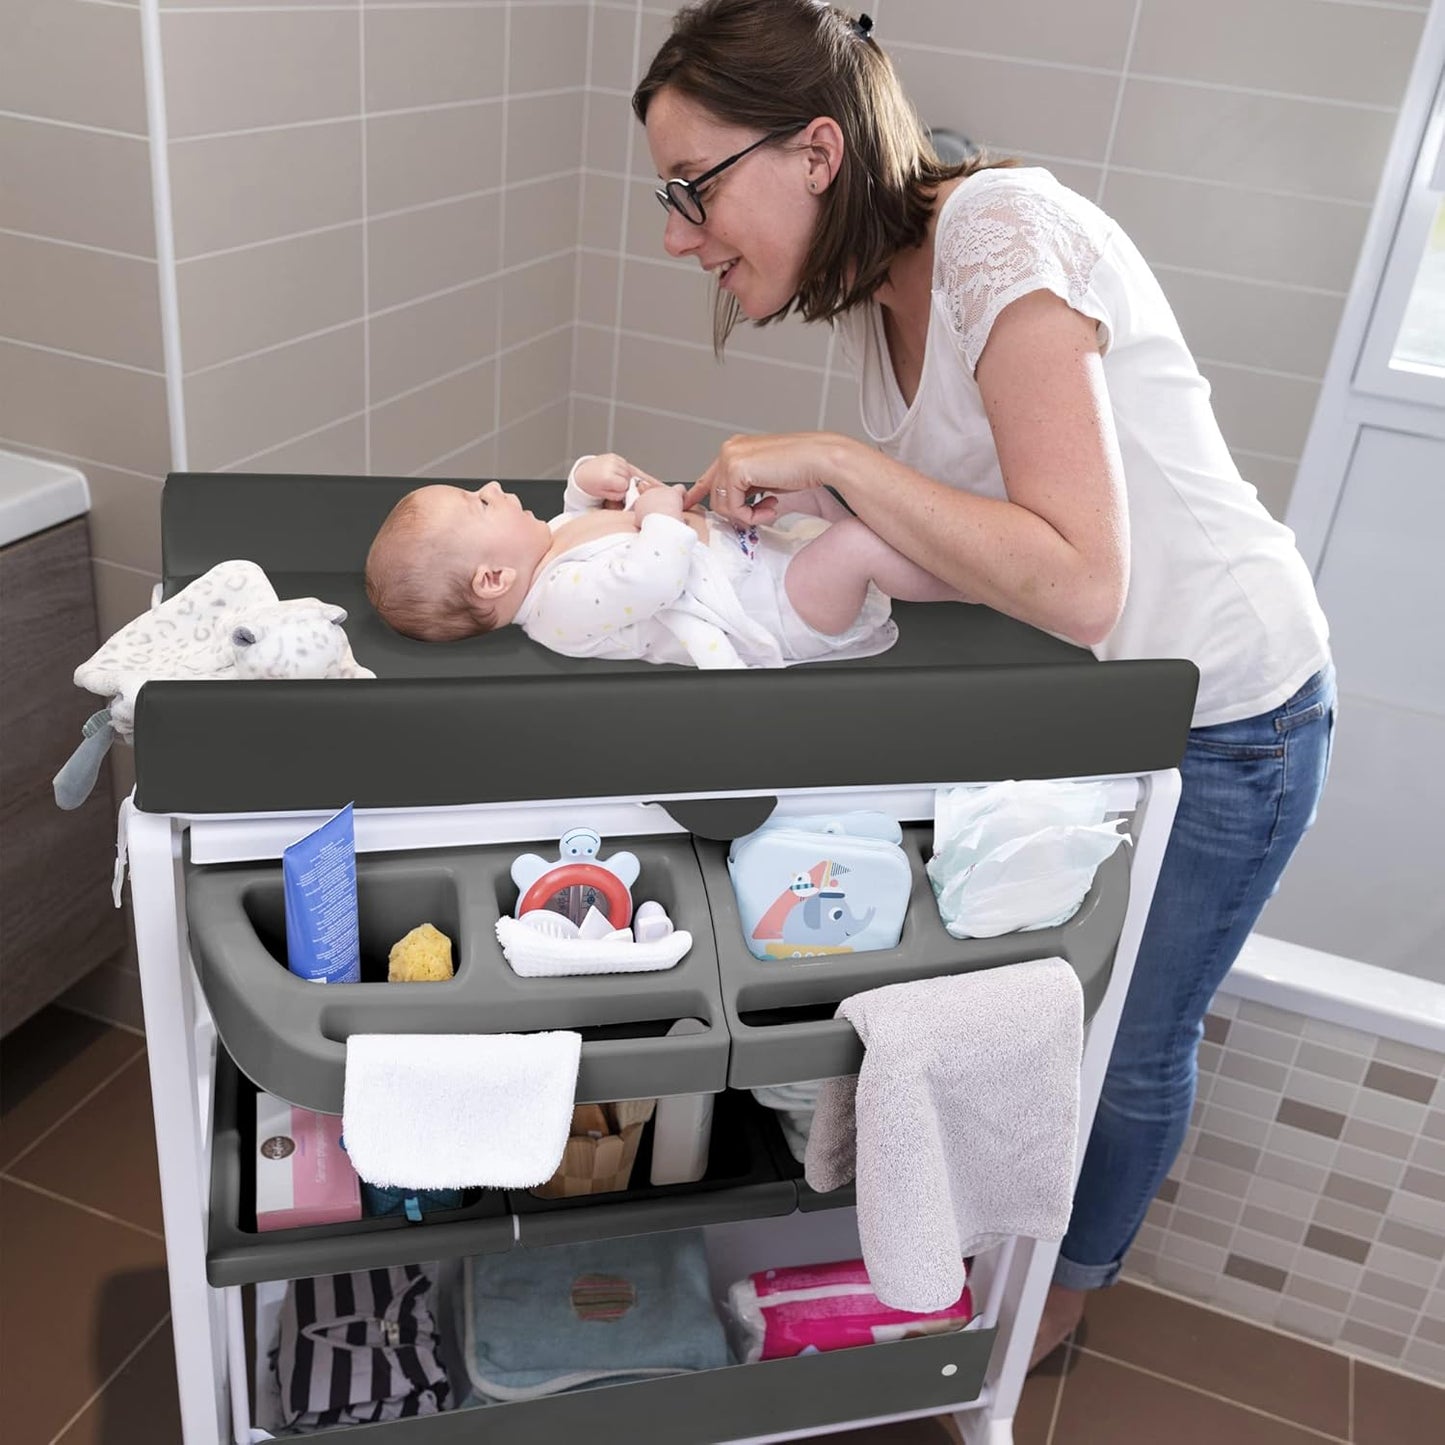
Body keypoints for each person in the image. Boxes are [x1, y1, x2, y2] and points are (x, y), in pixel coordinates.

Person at [633, 0, 1335, 1365]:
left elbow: (1078, 579)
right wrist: (799, 526)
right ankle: (989, 1254)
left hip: (1231, 714)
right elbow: (972, 530)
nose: (677, 235)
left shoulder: (1000, 231)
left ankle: (1052, 1306)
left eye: (690, 187)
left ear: (816, 150)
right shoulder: (873, 299)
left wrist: (836, 460)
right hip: (1106, 710)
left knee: (1128, 1040)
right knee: (1058, 1015)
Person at [364, 452, 963, 666]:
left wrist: (585, 481)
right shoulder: (558, 615)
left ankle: (913, 553)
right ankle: (969, 583)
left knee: (806, 492)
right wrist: (658, 512)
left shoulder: (550, 546)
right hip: (779, 607)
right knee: (855, 545)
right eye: (479, 503)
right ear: (495, 579)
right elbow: (649, 578)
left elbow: (586, 526)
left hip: (762, 557)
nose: (493, 487)